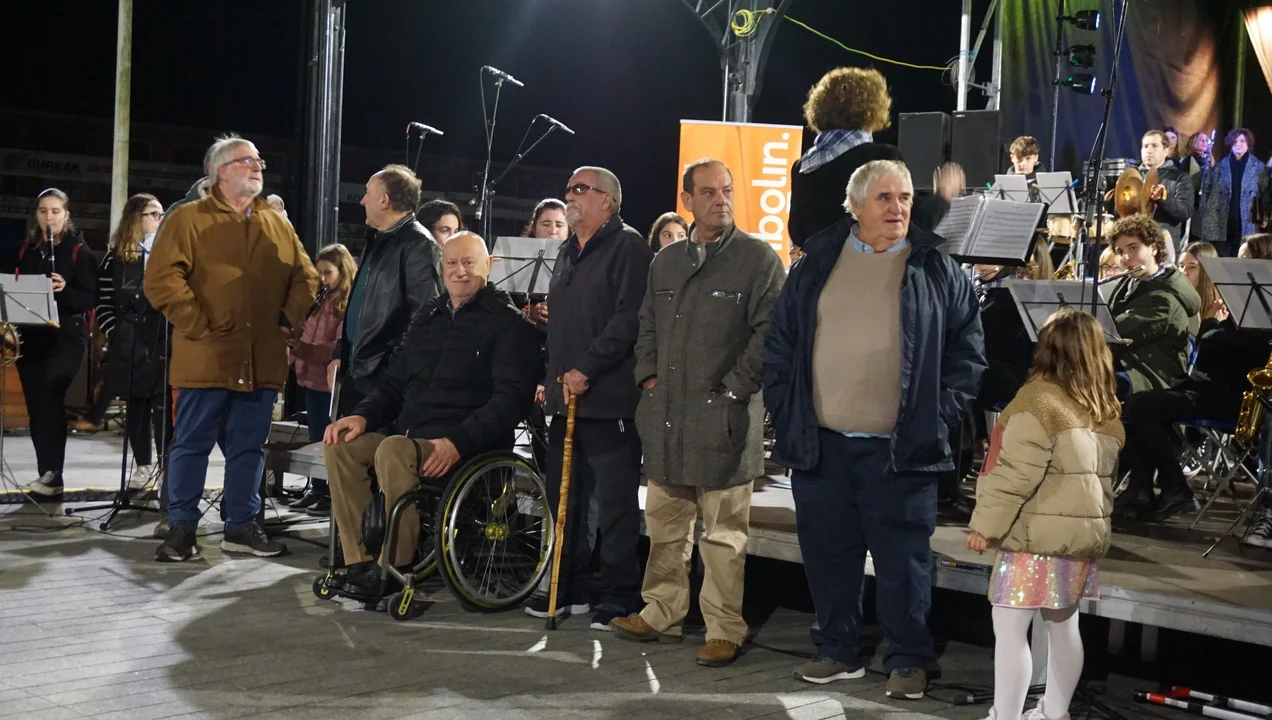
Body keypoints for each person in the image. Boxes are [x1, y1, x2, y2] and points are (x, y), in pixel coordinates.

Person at [764, 160, 986, 699]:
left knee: (903, 562)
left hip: (902, 448)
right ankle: (836, 650)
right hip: (821, 445)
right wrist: (785, 406)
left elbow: (968, 356)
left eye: (905, 197)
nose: (898, 208)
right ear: (856, 206)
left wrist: (936, 416)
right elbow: (780, 344)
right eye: (885, 198)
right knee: (828, 556)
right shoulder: (817, 263)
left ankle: (908, 658)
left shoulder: (936, 269)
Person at [611, 159, 785, 667]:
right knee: (665, 526)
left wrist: (734, 390)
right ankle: (661, 612)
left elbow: (772, 332)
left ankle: (724, 629)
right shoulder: (665, 262)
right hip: (667, 418)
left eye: (727, 190)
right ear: (686, 200)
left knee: (724, 537)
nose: (721, 200)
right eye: (708, 192)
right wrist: (648, 376)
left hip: (724, 421)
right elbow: (646, 325)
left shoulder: (757, 259)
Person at [321, 232, 540, 596]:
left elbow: (510, 402)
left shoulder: (510, 324)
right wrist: (362, 416)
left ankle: (395, 566)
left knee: (393, 449)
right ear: (442, 267)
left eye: (469, 262)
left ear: (488, 266)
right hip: (412, 437)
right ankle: (361, 562)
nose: (460, 271)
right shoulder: (428, 317)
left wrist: (456, 442)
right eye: (452, 263)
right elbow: (393, 384)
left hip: (468, 446)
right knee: (341, 446)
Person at [144, 133, 318, 562]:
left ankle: (241, 526)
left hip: (261, 358)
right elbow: (161, 279)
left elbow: (306, 277)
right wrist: (198, 324)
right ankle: (182, 528)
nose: (258, 167)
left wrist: (286, 320)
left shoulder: (277, 223)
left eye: (259, 162)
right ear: (219, 171)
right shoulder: (188, 219)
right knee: (191, 444)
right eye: (247, 161)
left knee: (248, 447)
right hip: (206, 356)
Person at [968, 307, 1123, 720]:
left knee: (1009, 629)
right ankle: (1054, 713)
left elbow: (1015, 474)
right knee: (1064, 627)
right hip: (1079, 538)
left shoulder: (1038, 400)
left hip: (1032, 537)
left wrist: (985, 526)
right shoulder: (1104, 408)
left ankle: (1005, 715)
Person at [528, 166, 654, 629]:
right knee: (568, 499)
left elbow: (628, 319)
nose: (571, 195)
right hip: (566, 398)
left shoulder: (628, 246)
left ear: (607, 200)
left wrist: (588, 367)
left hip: (608, 398)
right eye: (569, 188)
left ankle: (620, 595)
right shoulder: (568, 251)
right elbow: (566, 326)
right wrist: (554, 379)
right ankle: (569, 586)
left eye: (581, 189)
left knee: (615, 504)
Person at [0, 188, 98, 497]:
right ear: (37, 214)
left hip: (66, 337)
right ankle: (48, 475)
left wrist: (65, 289)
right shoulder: (24, 250)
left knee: (50, 397)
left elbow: (90, 298)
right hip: (31, 338)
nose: (49, 217)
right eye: (43, 211)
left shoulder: (79, 251)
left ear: (66, 215)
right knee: (37, 406)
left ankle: (53, 473)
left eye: (55, 211)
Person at [331, 165, 443, 417]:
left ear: (384, 200)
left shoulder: (419, 245)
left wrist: (390, 370)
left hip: (382, 382)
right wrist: (341, 354)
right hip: (358, 373)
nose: (362, 201)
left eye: (367, 193)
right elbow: (361, 306)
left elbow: (424, 318)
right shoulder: (377, 239)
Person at [93, 193, 170, 491]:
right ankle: (143, 466)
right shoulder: (115, 258)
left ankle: (166, 466)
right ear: (136, 218)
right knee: (137, 403)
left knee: (163, 406)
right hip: (129, 341)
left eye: (161, 213)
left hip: (162, 342)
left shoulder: (166, 253)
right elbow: (104, 302)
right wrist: (115, 332)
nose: (160, 219)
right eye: (154, 214)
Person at [789, 67, 899, 250]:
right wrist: (942, 196)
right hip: (867, 265)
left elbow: (797, 233)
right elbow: (908, 223)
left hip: (817, 267)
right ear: (870, 111)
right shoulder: (882, 159)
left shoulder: (802, 166)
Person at [289, 243, 357, 517]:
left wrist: (302, 350)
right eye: (319, 272)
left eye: (328, 272)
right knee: (315, 435)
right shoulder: (321, 298)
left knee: (329, 438)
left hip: (328, 383)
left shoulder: (346, 303)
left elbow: (336, 346)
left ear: (343, 270)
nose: (322, 278)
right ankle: (317, 489)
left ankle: (330, 493)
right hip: (310, 379)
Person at [1106, 214, 1200, 397]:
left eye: (1133, 248)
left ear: (1154, 249)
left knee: (1086, 386)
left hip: (1151, 377)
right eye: (1119, 251)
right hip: (1126, 364)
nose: (1126, 257)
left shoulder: (1165, 295)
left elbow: (1119, 331)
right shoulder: (1130, 282)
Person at [1198, 128, 1265, 254]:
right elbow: (1206, 192)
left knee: (1244, 255)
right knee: (1222, 257)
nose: (1238, 144)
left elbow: (1265, 194)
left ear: (1249, 144)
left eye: (1242, 141)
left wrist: (1264, 217)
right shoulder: (1219, 167)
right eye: (1235, 141)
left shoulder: (1258, 167)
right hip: (1222, 221)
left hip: (1247, 220)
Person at [1139, 129, 1195, 255]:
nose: (1149, 150)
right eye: (1145, 146)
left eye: (1154, 146)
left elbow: (1185, 212)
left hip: (1163, 245)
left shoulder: (1180, 178)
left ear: (1166, 151)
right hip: (1135, 242)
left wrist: (1164, 199)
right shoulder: (1133, 177)